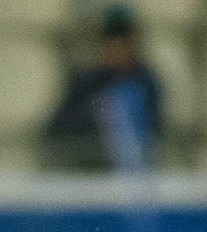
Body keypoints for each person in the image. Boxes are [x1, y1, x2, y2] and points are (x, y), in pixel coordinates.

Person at [44, 7, 165, 173]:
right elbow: (58, 137)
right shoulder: (85, 86)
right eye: (112, 40)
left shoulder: (148, 85)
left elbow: (157, 135)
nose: (120, 49)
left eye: (126, 40)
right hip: (96, 181)